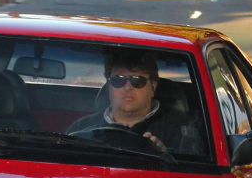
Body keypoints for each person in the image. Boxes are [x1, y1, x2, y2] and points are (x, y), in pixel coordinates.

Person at [67, 49, 203, 154]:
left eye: (137, 80)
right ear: (109, 87)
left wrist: (166, 154)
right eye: (118, 80)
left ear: (153, 87)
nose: (128, 87)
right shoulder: (81, 128)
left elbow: (194, 171)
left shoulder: (180, 127)